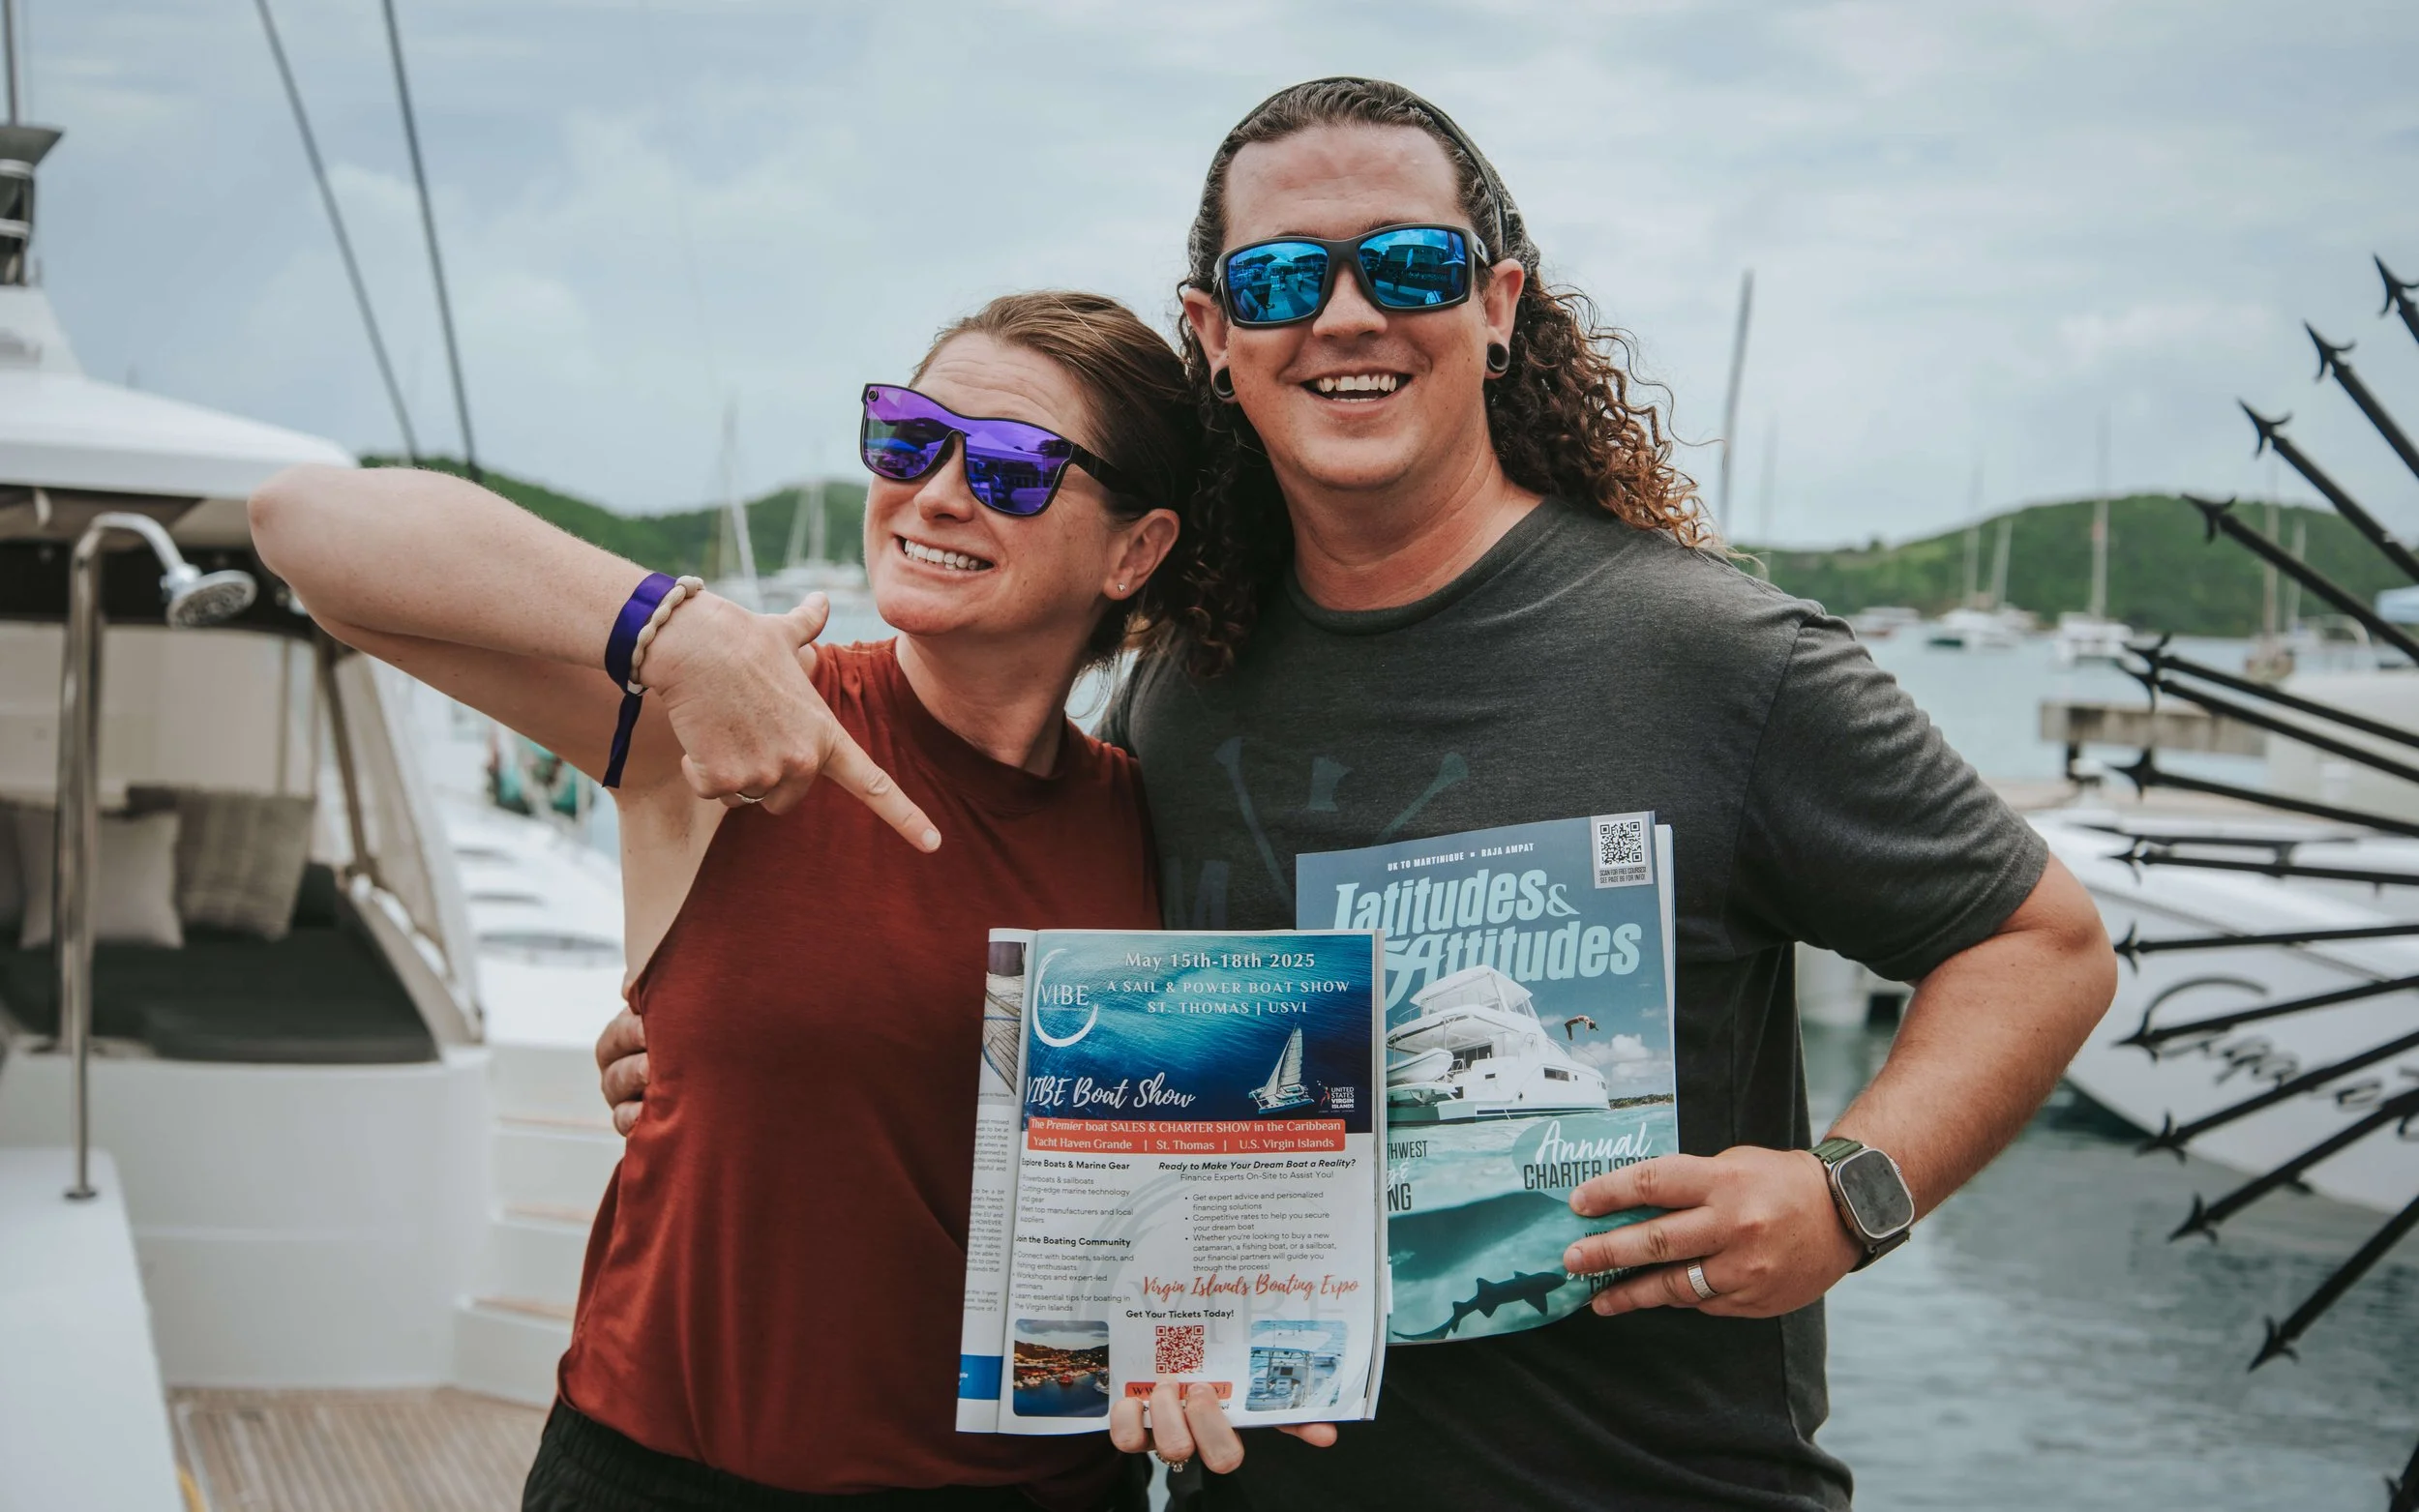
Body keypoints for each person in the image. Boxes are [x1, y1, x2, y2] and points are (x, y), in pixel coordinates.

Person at [598, 78, 2117, 1510]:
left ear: (1496, 302)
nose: (1343, 316)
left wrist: (1850, 1192)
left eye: (1404, 263)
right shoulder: (1183, 681)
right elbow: (1094, 1043)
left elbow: (2041, 945)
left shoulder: (1714, 652)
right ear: (1215, 333)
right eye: (1276, 283)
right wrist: (718, 1038)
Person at [250, 290, 1197, 1511]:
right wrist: (672, 633)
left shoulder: (1148, 825)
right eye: (909, 440)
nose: (939, 493)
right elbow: (309, 530)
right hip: (667, 1476)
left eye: (1013, 467)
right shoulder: (739, 719)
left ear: (1134, 552)